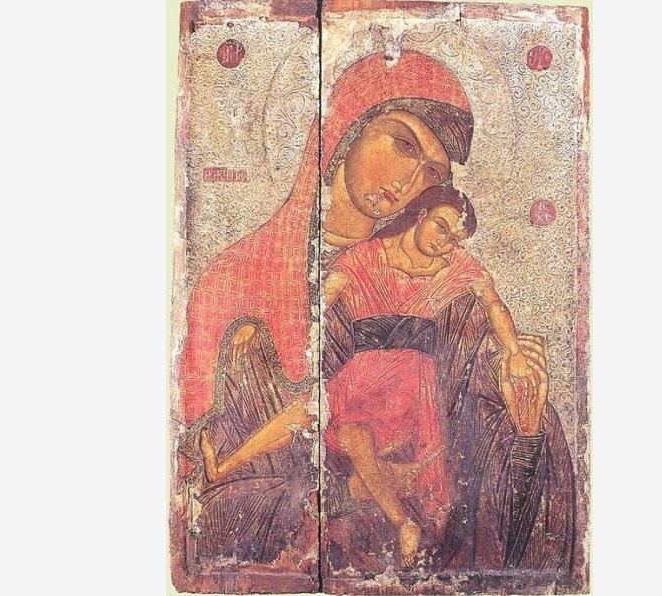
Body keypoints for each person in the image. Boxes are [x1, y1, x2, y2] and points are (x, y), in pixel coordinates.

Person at [201, 187, 547, 567]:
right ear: (421, 213)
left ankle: (400, 523)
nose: (444, 242)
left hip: (410, 384)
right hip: (361, 375)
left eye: (453, 238)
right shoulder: (362, 257)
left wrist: (514, 351)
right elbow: (312, 304)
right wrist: (259, 324)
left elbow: (494, 304)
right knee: (306, 410)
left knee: (353, 434)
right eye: (441, 226)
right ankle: (223, 467)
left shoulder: (455, 266)